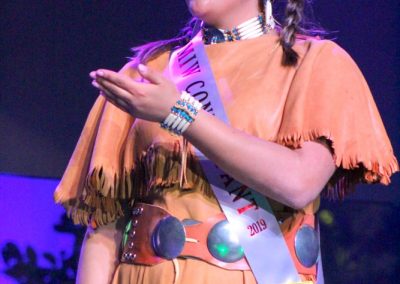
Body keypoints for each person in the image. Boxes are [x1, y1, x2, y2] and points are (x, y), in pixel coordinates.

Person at [54, 0, 398, 283]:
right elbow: (106, 227)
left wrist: (180, 113)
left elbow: (299, 183)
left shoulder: (315, 62)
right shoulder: (149, 72)